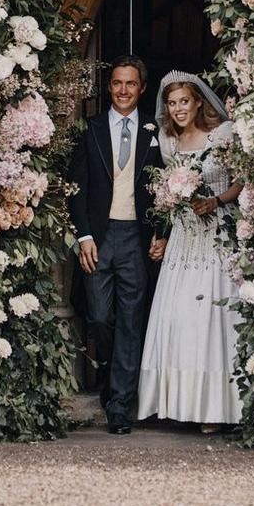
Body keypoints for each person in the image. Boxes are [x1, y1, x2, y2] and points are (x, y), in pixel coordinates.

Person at [138, 70, 242, 432]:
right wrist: (162, 234)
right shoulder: (168, 141)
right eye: (172, 103)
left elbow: (240, 180)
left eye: (184, 101)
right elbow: (168, 198)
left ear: (199, 101)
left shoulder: (223, 134)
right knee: (179, 317)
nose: (178, 109)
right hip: (184, 238)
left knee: (213, 319)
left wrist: (216, 199)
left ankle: (216, 408)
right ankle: (179, 402)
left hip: (217, 234)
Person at [68, 55, 166, 435]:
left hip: (135, 238)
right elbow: (75, 188)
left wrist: (160, 232)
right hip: (99, 235)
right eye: (116, 84)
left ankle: (120, 405)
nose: (123, 91)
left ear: (141, 88)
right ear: (109, 88)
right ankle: (113, 374)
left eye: (130, 84)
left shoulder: (155, 131)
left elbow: (164, 190)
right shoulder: (89, 129)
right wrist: (84, 235)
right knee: (99, 317)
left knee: (130, 320)